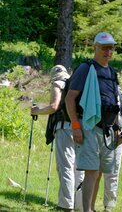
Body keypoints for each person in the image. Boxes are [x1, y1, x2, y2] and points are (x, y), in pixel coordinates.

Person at [65, 32, 122, 212]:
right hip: (89, 126)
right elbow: (69, 98)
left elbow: (114, 102)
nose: (108, 51)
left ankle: (90, 208)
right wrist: (75, 126)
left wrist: (116, 128)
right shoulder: (85, 68)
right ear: (95, 48)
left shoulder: (112, 72)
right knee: (91, 172)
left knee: (99, 173)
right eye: (104, 47)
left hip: (107, 129)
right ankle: (87, 210)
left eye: (111, 48)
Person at [30, 65, 83, 212]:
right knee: (79, 167)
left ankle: (66, 205)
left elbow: (54, 106)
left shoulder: (57, 84)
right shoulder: (75, 83)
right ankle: (80, 204)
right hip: (80, 127)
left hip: (65, 128)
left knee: (66, 166)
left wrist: (37, 111)